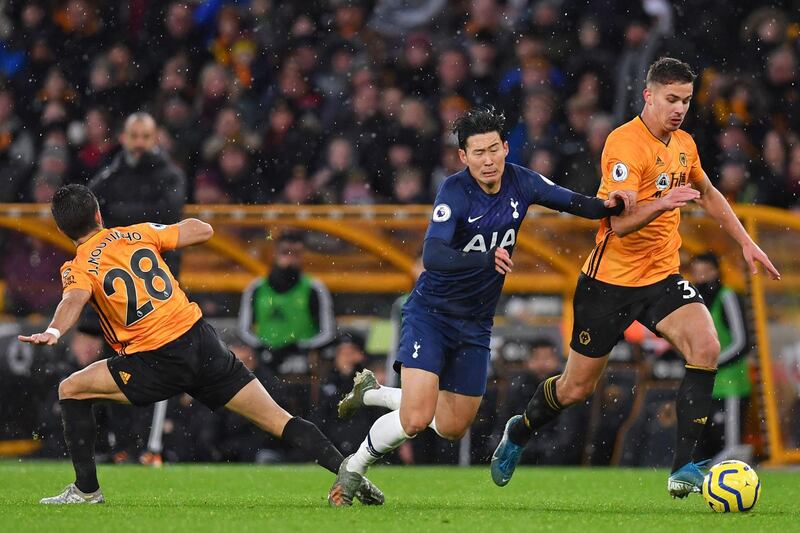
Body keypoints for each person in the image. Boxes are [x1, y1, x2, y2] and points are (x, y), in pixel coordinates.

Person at [492, 57, 780, 499]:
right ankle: (520, 429)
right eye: (671, 99)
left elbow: (707, 191)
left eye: (685, 99)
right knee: (575, 388)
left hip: (660, 277)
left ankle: (683, 467)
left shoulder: (684, 143)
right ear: (649, 95)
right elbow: (617, 225)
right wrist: (662, 204)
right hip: (608, 284)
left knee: (705, 345)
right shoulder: (624, 145)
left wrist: (744, 242)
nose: (679, 108)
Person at [327, 106, 632, 506]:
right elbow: (433, 254)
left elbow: (578, 203)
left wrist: (611, 203)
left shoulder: (522, 182)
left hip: (475, 323)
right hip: (431, 314)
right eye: (478, 152)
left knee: (452, 426)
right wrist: (484, 259)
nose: (488, 160)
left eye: (494, 149)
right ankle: (353, 468)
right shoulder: (453, 191)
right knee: (417, 419)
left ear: (506, 148)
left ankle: (373, 393)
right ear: (463, 157)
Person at [19, 184, 382, 506]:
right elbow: (202, 230)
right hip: (201, 342)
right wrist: (168, 231)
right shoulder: (136, 234)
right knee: (278, 420)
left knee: (71, 389)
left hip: (155, 358)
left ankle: (86, 491)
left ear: (62, 229)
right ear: (99, 214)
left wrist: (53, 331)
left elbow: (74, 300)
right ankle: (348, 471)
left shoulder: (79, 265)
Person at [238, 230, 335, 375]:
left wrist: (300, 347)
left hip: (302, 361)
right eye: (285, 252)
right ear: (275, 254)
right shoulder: (256, 288)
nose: (290, 258)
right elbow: (243, 329)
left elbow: (328, 332)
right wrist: (264, 348)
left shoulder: (314, 288)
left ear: (302, 256)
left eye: (295, 253)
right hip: (264, 359)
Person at [689, 252, 753, 461]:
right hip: (704, 385)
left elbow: (742, 342)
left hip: (730, 385)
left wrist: (711, 364)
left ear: (716, 272)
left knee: (730, 447)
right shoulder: (693, 300)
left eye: (705, 272)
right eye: (697, 272)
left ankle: (732, 487)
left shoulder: (726, 296)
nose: (701, 277)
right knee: (703, 446)